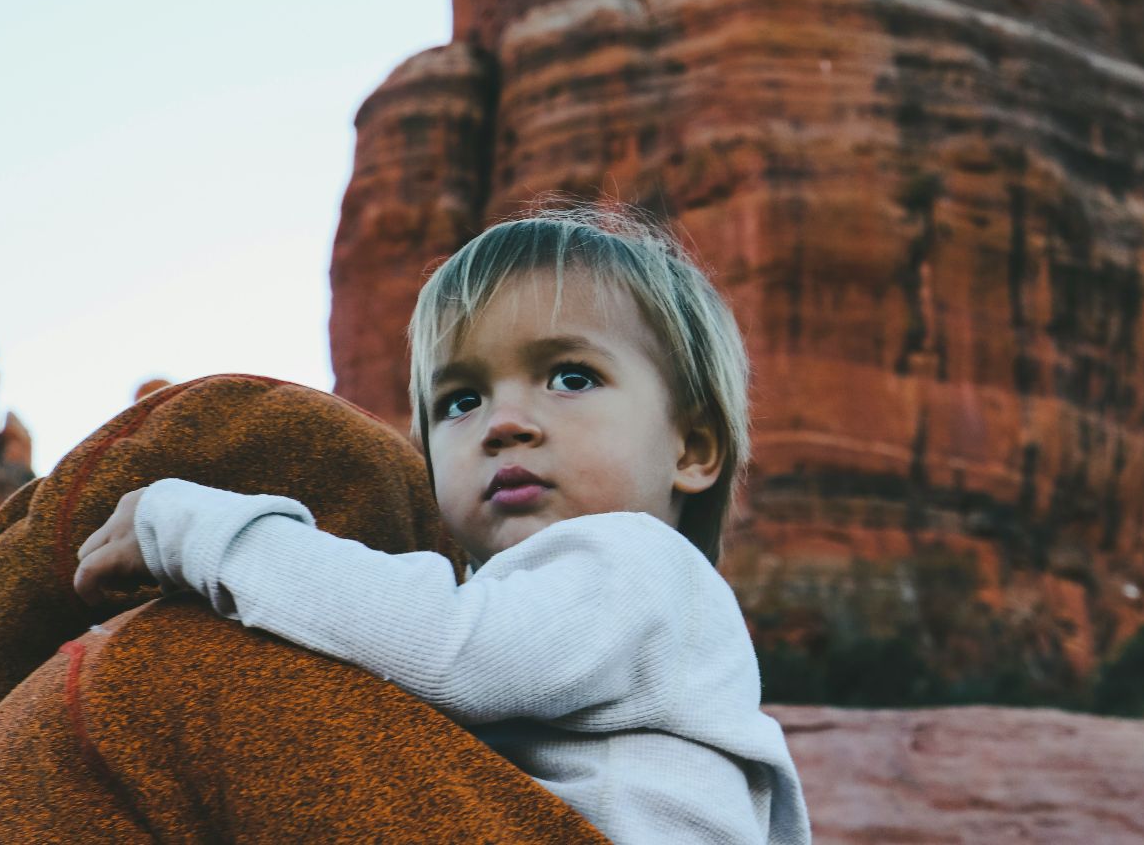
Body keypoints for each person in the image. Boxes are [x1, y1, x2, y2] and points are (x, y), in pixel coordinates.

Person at [74, 204, 813, 844]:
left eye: (571, 377)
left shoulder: (640, 564)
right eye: (460, 400)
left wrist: (202, 532)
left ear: (693, 449)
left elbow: (453, 649)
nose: (505, 424)